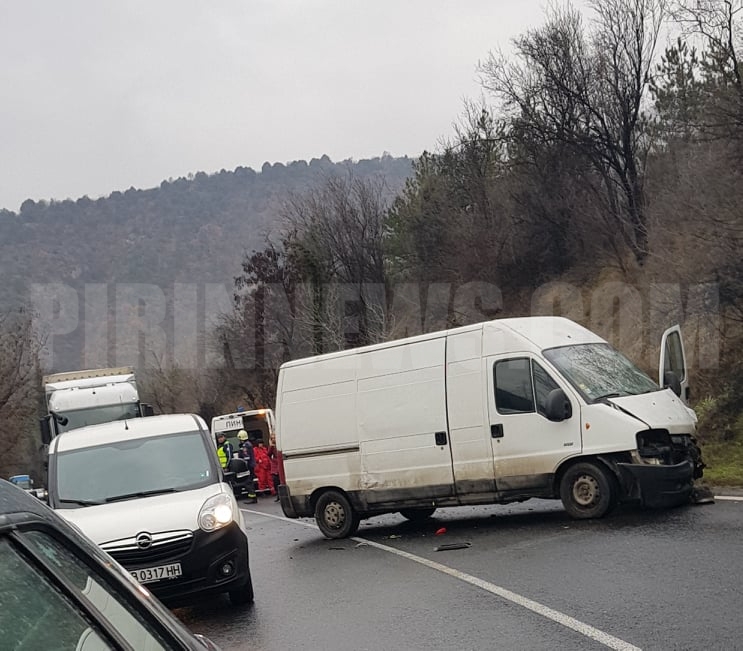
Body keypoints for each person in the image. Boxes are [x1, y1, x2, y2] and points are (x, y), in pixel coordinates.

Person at [237, 430, 258, 503]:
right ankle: (252, 497)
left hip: (248, 466)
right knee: (249, 481)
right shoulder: (248, 444)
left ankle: (253, 497)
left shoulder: (245, 445)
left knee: (248, 482)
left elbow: (246, 457)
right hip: (251, 465)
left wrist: (243, 465)